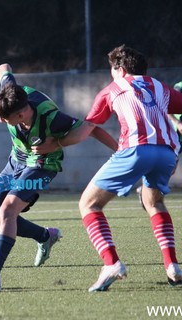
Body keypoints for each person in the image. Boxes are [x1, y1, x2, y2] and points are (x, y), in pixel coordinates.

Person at [0, 63, 118, 293]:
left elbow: (90, 128)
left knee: (8, 209)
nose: (1, 122)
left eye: (5, 119)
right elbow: (5, 67)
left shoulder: (51, 117)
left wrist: (120, 150)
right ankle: (45, 236)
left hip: (42, 166)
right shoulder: (12, 95)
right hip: (14, 162)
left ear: (22, 113)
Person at [74, 44, 182, 292]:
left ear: (120, 69)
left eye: (112, 70)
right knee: (154, 202)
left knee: (89, 204)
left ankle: (111, 263)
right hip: (167, 153)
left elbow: (85, 130)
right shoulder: (159, 86)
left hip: (135, 151)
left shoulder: (112, 90)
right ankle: (173, 266)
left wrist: (55, 142)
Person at [136, 81, 182, 209]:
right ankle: (146, 189)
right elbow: (166, 107)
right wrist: (177, 122)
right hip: (177, 135)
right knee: (170, 168)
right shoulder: (179, 87)